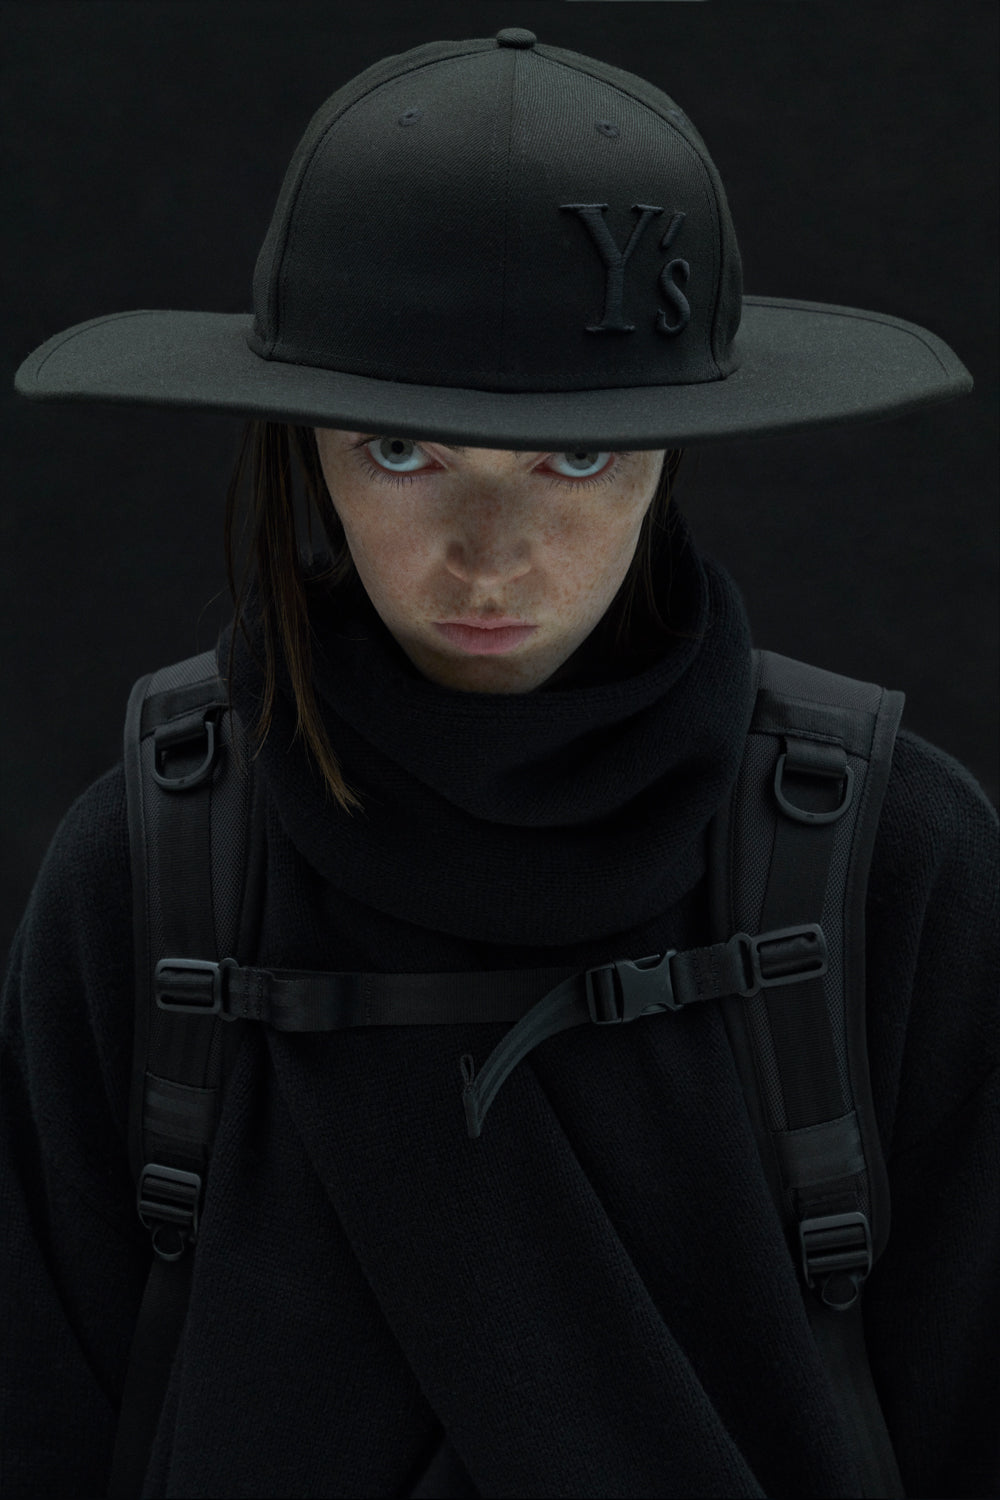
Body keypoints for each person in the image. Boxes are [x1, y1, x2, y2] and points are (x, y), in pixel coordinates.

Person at [3, 26, 997, 1500]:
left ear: (672, 448)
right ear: (303, 447)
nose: (490, 557)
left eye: (575, 458)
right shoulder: (145, 879)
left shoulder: (897, 869)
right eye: (402, 450)